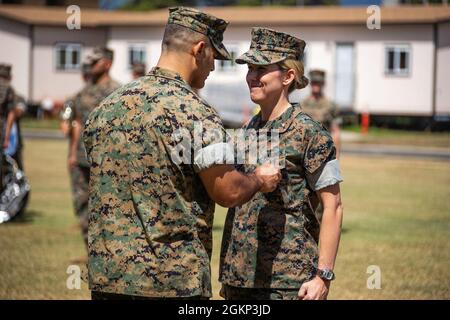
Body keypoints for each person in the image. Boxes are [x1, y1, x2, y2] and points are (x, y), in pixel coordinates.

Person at [83, 7, 281, 300]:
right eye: (214, 56)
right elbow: (226, 190)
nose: (213, 67)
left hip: (108, 277)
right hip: (170, 281)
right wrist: (259, 180)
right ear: (199, 49)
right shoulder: (194, 113)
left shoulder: (107, 107)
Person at [219, 28, 344, 300]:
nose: (251, 76)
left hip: (286, 282)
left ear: (288, 76)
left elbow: (333, 205)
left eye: (261, 68)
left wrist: (323, 276)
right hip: (240, 277)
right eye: (250, 68)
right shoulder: (248, 129)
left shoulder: (309, 133)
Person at [68, 47, 120, 249]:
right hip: (81, 157)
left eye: (95, 62)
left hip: (106, 160)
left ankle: (107, 251)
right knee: (82, 204)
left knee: (107, 207)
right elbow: (77, 123)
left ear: (107, 64)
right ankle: (90, 249)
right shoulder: (83, 92)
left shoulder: (118, 91)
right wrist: (72, 153)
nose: (90, 66)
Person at [301, 69, 342, 158]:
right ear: (310, 84)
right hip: (303, 152)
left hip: (324, 152)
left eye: (318, 82)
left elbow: (336, 132)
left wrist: (336, 155)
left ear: (323, 84)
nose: (316, 85)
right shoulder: (302, 105)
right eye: (314, 82)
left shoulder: (331, 106)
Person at [0, 64, 27, 171]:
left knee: (18, 169)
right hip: (5, 138)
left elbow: (19, 111)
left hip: (14, 142)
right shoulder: (9, 91)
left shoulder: (17, 97)